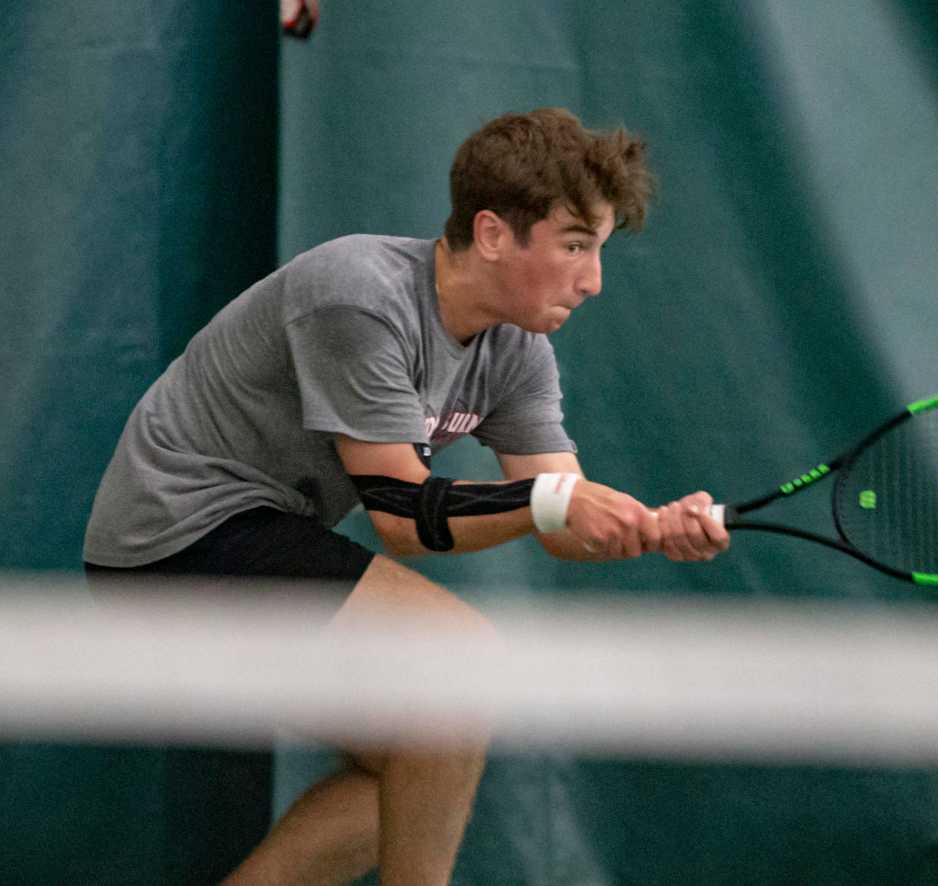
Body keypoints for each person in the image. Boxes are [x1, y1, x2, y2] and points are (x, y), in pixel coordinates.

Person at [83, 107, 728, 885]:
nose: (592, 281)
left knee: (417, 756)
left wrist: (654, 526)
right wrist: (562, 504)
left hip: (258, 537)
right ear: (492, 233)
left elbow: (559, 513)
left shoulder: (519, 352)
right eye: (574, 246)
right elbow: (402, 515)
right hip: (174, 539)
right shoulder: (355, 293)